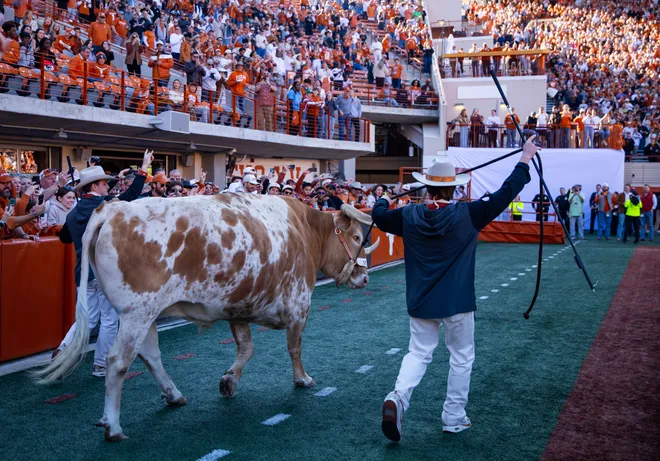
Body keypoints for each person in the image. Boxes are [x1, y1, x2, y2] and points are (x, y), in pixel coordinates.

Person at [373, 136, 540, 442]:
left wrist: (388, 196)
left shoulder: (407, 215)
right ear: (453, 188)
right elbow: (507, 192)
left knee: (418, 353)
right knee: (461, 357)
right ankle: (453, 417)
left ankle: (398, 397)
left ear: (426, 186)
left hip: (420, 301)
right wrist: (525, 158)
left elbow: (380, 216)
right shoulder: (469, 213)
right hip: (458, 302)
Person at [52, 150, 154, 378]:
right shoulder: (105, 205)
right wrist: (143, 168)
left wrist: (77, 218)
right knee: (108, 319)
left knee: (86, 320)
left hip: (82, 272)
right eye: (104, 184)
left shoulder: (72, 212)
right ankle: (100, 365)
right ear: (95, 186)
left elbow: (65, 238)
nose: (108, 187)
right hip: (105, 273)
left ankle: (64, 348)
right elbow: (131, 195)